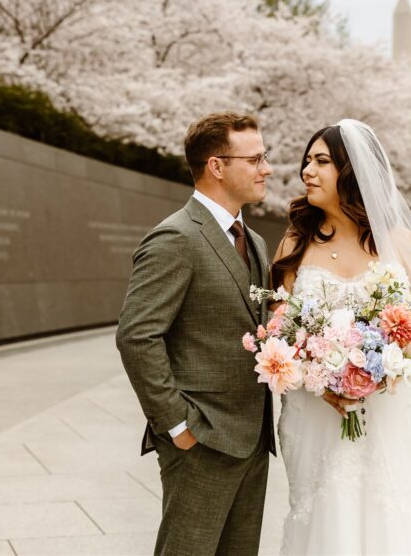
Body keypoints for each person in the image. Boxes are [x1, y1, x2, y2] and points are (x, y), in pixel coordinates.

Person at [271, 119, 411, 555]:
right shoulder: (296, 242)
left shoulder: (399, 242)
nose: (307, 171)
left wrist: (386, 369)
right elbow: (277, 332)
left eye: (322, 161)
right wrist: (319, 377)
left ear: (350, 172)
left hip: (388, 408)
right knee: (319, 510)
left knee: (388, 509)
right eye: (307, 162)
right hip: (315, 411)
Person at [116, 112, 276, 556]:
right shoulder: (175, 238)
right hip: (201, 440)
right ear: (217, 166)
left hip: (252, 438)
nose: (267, 168)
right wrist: (177, 425)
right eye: (256, 158)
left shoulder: (256, 242)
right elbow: (136, 336)